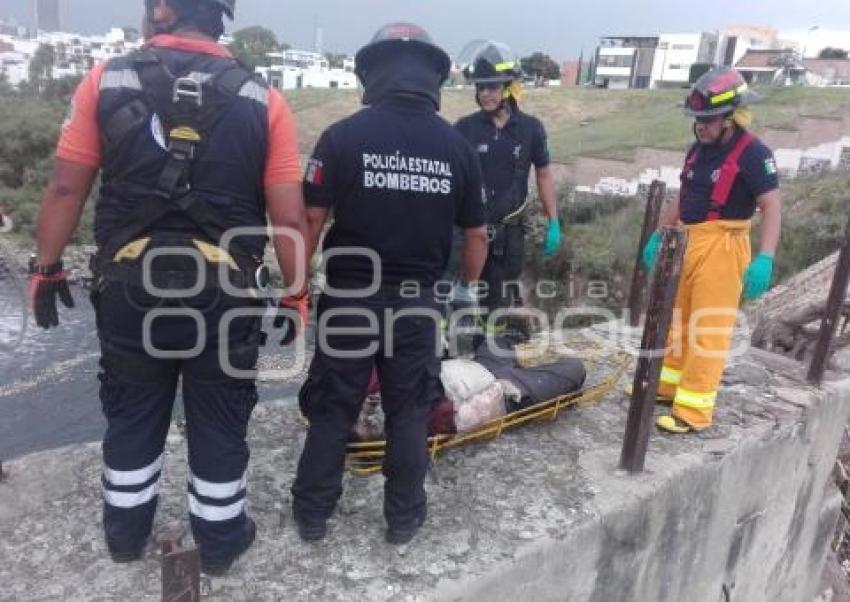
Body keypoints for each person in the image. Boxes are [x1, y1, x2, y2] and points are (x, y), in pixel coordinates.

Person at [27, 0, 308, 574]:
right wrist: (297, 294)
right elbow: (289, 216)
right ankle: (222, 541)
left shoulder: (106, 80)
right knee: (220, 415)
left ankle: (125, 535)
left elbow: (63, 189)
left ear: (162, 9)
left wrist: (46, 267)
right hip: (223, 296)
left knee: (132, 411)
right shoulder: (265, 100)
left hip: (131, 286)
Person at [291, 22, 489, 545]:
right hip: (417, 304)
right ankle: (403, 518)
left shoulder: (341, 138)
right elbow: (477, 234)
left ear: (370, 73)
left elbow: (308, 223)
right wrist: (467, 290)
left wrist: (296, 288)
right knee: (409, 409)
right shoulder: (457, 149)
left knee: (335, 405)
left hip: (350, 298)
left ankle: (312, 515)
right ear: (434, 80)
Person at [642, 66, 782, 434]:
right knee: (678, 321)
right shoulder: (697, 150)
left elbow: (771, 205)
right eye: (697, 120)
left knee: (709, 328)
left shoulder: (754, 153)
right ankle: (669, 386)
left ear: (732, 116)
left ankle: (693, 410)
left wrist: (765, 257)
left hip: (724, 244)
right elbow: (684, 195)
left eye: (708, 119)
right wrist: (660, 233)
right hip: (687, 240)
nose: (700, 126)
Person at [455, 41, 562, 315]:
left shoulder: (531, 129)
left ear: (508, 87)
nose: (485, 94)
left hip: (508, 236)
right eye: (480, 87)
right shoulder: (464, 129)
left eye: (492, 86)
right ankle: (450, 353)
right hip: (467, 234)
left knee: (497, 307)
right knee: (457, 301)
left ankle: (490, 353)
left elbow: (544, 174)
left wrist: (554, 221)